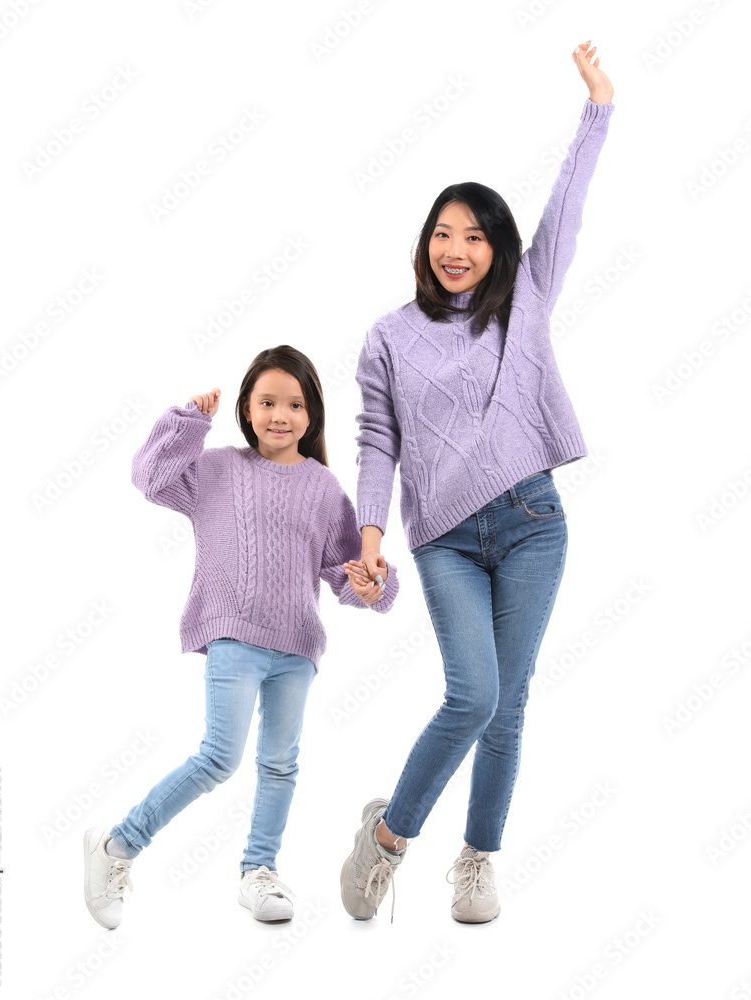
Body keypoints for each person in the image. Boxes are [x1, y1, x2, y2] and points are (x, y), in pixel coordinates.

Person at [339, 40, 615, 923]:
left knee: (510, 702)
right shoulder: (387, 336)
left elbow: (565, 210)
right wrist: (370, 539)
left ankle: (477, 857)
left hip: (533, 519)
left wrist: (596, 109)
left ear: (498, 248)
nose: (456, 248)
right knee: (475, 692)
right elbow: (377, 439)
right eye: (442, 233)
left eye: (474, 235)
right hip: (444, 537)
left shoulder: (526, 296)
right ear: (424, 243)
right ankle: (388, 837)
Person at [83, 345, 398, 930]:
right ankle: (117, 847)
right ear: (247, 410)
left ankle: (259, 870)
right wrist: (187, 423)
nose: (281, 415)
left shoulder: (325, 489)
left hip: (297, 649)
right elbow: (149, 478)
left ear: (313, 415)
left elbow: (348, 576)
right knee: (219, 758)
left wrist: (373, 586)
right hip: (233, 636)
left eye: (296, 404)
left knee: (280, 765)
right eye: (268, 402)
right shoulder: (217, 468)